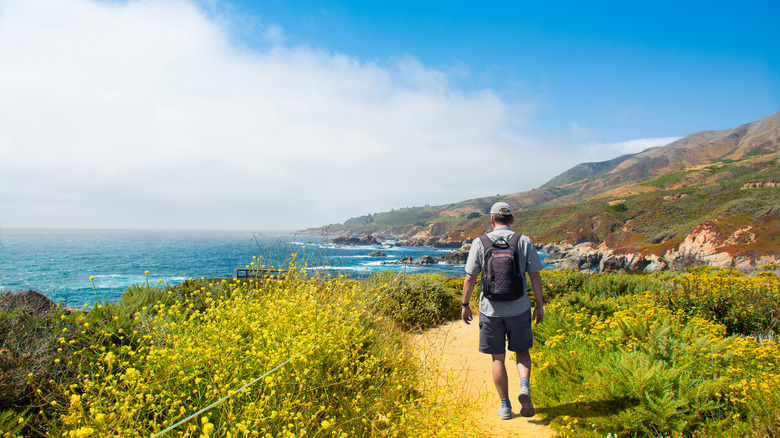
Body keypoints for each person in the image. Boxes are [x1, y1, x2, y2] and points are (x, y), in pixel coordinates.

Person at [461, 202, 544, 420]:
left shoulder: (480, 242)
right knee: (522, 352)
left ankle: (505, 406)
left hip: (491, 310)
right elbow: (535, 276)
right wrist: (539, 306)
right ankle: (524, 387)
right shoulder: (524, 241)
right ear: (512, 220)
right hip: (520, 308)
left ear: (491, 220)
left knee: (497, 358)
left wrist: (465, 305)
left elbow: (470, 277)